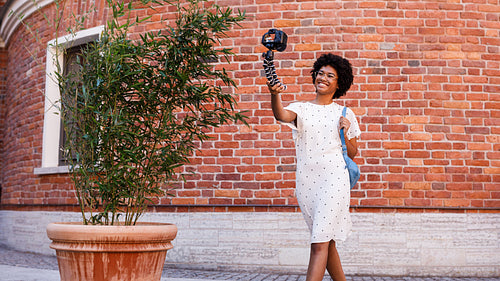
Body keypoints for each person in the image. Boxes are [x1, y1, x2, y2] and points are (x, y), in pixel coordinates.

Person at [267, 53, 360, 281]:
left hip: (334, 181)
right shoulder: (302, 109)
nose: (323, 78)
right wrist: (274, 96)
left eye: (330, 75)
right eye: (320, 73)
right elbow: (281, 114)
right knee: (326, 242)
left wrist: (346, 131)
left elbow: (353, 152)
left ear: (339, 83)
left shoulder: (345, 113)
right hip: (308, 184)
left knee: (318, 243)